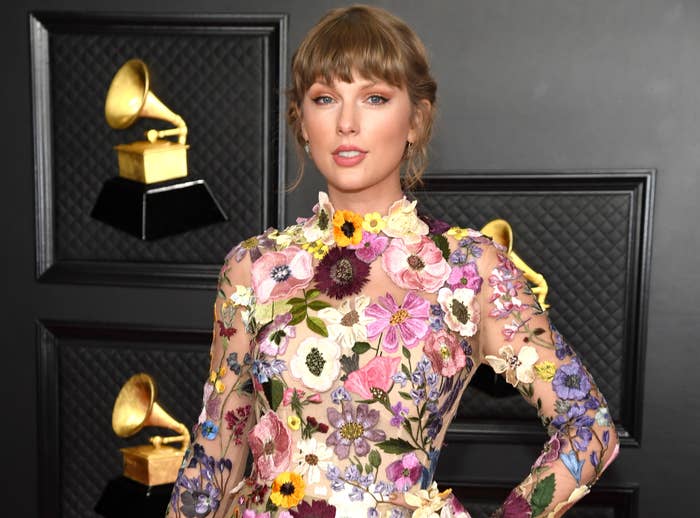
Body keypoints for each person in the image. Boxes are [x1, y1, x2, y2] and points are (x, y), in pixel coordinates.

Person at [165, 5, 619, 518]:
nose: (347, 123)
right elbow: (216, 451)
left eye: (375, 98)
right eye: (325, 98)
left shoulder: (470, 269)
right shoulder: (253, 268)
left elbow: (589, 426)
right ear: (302, 122)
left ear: (416, 120)